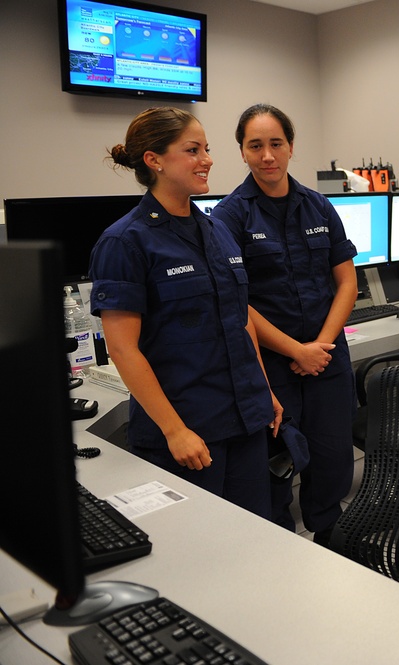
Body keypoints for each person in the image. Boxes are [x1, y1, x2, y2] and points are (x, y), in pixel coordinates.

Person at [90, 107, 282, 518]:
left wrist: (263, 389)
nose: (207, 159)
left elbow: (240, 317)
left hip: (245, 420)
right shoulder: (125, 242)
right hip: (187, 430)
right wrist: (175, 430)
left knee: (256, 540)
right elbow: (123, 350)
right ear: (154, 160)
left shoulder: (218, 229)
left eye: (207, 149)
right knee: (202, 554)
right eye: (193, 150)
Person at [211, 104, 358, 548]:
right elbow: (238, 301)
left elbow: (347, 281)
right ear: (242, 151)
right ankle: (281, 544)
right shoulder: (229, 216)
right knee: (278, 458)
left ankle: (329, 534)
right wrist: (296, 351)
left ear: (291, 146)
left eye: (276, 143)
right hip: (270, 363)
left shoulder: (318, 205)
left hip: (327, 356)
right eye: (255, 145)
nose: (267, 155)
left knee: (333, 453)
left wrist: (320, 346)